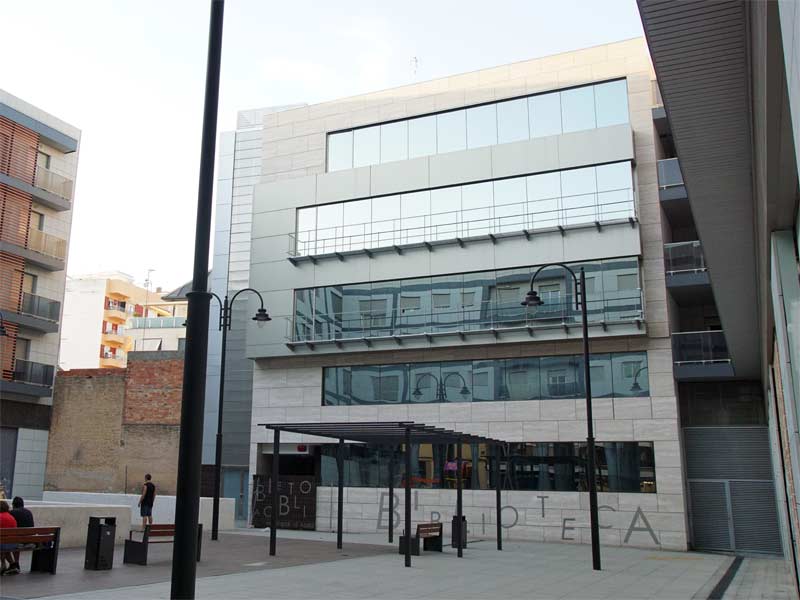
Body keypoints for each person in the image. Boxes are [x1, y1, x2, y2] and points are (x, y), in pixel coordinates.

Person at [9, 497, 33, 574]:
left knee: (10, 541)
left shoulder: (12, 512)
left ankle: (14, 564)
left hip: (19, 541)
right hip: (30, 540)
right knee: (16, 539)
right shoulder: (29, 512)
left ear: (13, 504)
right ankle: (16, 563)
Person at [0, 500, 18, 576]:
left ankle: (3, 565)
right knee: (4, 544)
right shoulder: (11, 517)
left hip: (3, 544)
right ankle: (12, 565)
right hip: (13, 544)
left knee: (2, 544)